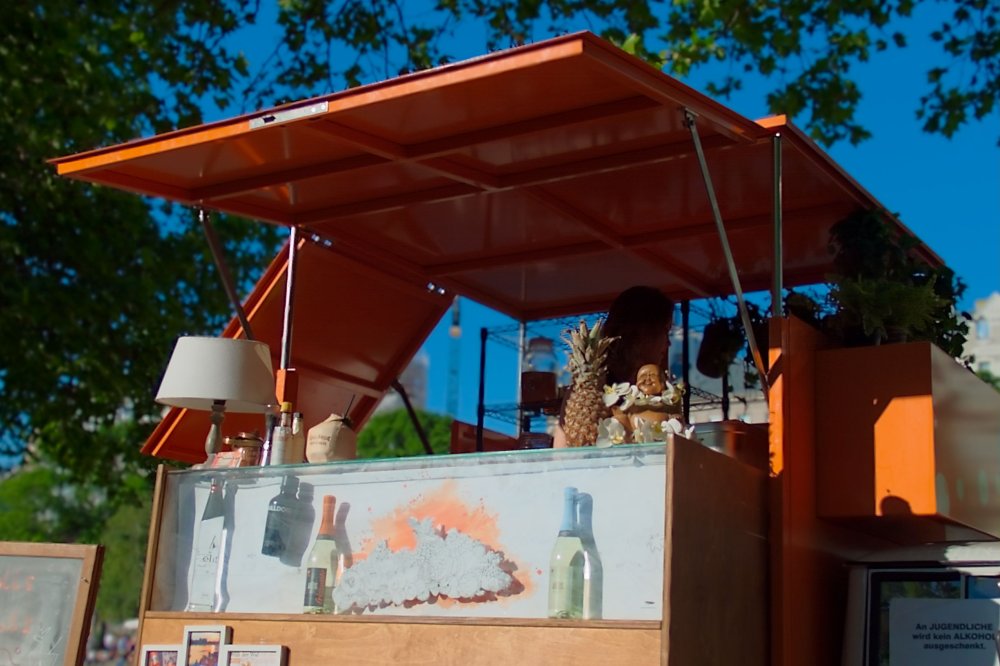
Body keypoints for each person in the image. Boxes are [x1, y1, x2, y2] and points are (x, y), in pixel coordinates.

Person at [553, 285, 675, 448]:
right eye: (665, 331)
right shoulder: (588, 391)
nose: (668, 343)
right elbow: (563, 454)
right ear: (642, 332)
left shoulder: (661, 393)